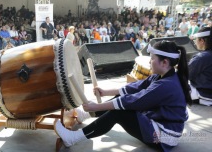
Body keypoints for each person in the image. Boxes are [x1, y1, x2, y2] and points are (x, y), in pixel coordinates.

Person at [54, 40, 192, 152]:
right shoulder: (163, 76)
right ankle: (87, 114)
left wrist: (98, 105)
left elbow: (134, 100)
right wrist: (105, 92)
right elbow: (135, 87)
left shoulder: (166, 85)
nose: (149, 62)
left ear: (165, 62)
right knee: (118, 103)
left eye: (152, 59)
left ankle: (73, 138)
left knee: (118, 112)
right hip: (161, 126)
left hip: (165, 136)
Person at [188, 27, 212, 105]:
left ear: (202, 40)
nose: (195, 42)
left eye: (196, 39)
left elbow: (184, 75)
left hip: (204, 95)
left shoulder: (201, 57)